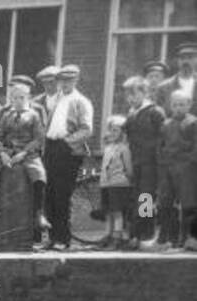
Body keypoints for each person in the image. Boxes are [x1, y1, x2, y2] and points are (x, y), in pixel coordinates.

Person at [0, 76, 49, 246]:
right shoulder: (6, 115)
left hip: (27, 154)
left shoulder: (34, 115)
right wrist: (2, 153)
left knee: (39, 176)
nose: (18, 101)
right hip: (8, 152)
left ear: (28, 98)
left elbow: (39, 139)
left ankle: (39, 214)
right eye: (14, 98)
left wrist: (25, 153)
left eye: (21, 98)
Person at [43, 64, 94, 250]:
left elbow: (87, 129)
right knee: (49, 195)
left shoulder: (81, 101)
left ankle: (63, 239)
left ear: (76, 80)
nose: (65, 84)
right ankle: (51, 237)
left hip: (68, 151)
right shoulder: (56, 100)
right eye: (62, 80)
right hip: (51, 148)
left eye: (69, 80)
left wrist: (67, 143)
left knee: (62, 195)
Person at [124, 75, 165, 250]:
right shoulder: (132, 113)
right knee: (136, 198)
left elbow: (163, 139)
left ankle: (146, 236)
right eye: (127, 95)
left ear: (144, 92)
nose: (129, 99)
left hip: (151, 163)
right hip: (136, 162)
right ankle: (135, 235)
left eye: (133, 94)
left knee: (146, 198)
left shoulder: (155, 112)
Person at [156, 91, 197, 251]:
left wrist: (190, 162)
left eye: (182, 104)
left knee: (189, 203)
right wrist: (162, 161)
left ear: (189, 105)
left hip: (186, 168)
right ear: (170, 106)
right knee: (163, 202)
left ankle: (188, 238)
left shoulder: (193, 123)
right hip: (166, 167)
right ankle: (165, 237)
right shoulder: (165, 124)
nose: (178, 108)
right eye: (175, 104)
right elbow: (160, 145)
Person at [96, 115, 132, 249]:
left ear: (123, 133)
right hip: (106, 183)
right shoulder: (108, 147)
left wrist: (129, 179)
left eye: (115, 130)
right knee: (108, 211)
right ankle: (108, 235)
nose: (112, 133)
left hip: (119, 184)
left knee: (117, 211)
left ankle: (117, 237)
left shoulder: (124, 148)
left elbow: (128, 168)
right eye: (110, 130)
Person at [156, 43, 197, 113]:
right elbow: (159, 115)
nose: (185, 61)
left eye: (190, 58)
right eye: (182, 58)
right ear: (177, 61)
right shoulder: (163, 87)